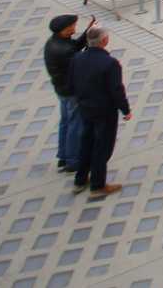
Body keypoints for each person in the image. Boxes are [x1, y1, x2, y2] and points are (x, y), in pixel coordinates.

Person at [68, 26, 130, 197]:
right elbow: (116, 90)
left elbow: (71, 83)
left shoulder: (77, 58)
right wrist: (125, 109)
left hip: (85, 108)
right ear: (104, 41)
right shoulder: (110, 63)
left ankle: (80, 180)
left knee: (86, 143)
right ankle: (97, 185)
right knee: (102, 147)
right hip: (104, 111)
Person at [41, 14, 89, 175]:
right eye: (73, 26)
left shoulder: (55, 42)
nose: (75, 28)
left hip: (62, 89)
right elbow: (80, 61)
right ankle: (73, 160)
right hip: (71, 91)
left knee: (66, 122)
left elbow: (74, 46)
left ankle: (63, 156)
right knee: (76, 124)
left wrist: (87, 33)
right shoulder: (64, 50)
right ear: (65, 29)